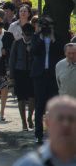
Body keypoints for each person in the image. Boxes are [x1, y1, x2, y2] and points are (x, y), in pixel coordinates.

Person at [30, 16, 62, 144]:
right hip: (40, 75)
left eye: (49, 26)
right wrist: (41, 38)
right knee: (40, 105)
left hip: (53, 75)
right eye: (45, 26)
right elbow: (34, 52)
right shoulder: (36, 37)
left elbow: (61, 52)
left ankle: (54, 133)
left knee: (53, 105)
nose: (46, 29)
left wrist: (53, 38)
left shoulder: (57, 37)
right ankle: (38, 134)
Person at [8, 23, 36, 131]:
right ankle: (24, 121)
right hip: (19, 72)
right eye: (25, 34)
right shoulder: (17, 43)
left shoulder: (35, 43)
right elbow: (12, 60)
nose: (27, 36)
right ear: (22, 33)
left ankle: (29, 117)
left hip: (32, 73)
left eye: (29, 34)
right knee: (21, 98)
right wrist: (11, 76)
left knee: (32, 97)